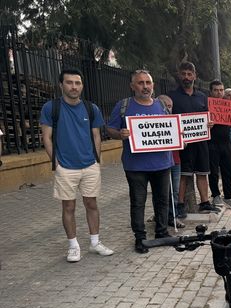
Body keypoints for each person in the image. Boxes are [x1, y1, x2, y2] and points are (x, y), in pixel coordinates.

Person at [40, 68, 114, 262]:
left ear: (82, 85)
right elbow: (46, 137)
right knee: (69, 207)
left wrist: (97, 161)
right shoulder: (51, 108)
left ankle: (95, 242)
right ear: (61, 85)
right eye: (69, 82)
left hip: (89, 165)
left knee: (92, 203)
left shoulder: (91, 108)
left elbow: (97, 135)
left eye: (77, 83)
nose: (74, 86)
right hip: (65, 166)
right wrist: (55, 162)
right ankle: (73, 246)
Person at [106, 69, 173, 254]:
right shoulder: (124, 106)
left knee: (162, 200)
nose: (145, 86)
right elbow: (110, 129)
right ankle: (140, 238)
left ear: (153, 85)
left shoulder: (162, 106)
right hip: (135, 166)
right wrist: (120, 134)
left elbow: (172, 128)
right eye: (141, 83)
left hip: (162, 163)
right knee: (138, 202)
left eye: (148, 83)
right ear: (132, 86)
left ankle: (162, 232)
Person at [168, 62, 216, 215]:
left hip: (201, 142)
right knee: (183, 174)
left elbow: (208, 117)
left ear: (195, 76)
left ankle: (205, 202)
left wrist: (210, 124)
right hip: (184, 144)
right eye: (184, 74)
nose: (186, 77)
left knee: (202, 173)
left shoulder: (202, 97)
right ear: (179, 75)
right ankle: (180, 204)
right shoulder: (172, 96)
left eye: (190, 74)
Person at [156, 94, 185, 229]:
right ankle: (161, 217)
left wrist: (181, 138)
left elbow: (184, 145)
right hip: (160, 162)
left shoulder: (176, 122)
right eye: (165, 106)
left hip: (175, 161)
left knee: (174, 190)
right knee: (161, 192)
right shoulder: (153, 124)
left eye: (170, 106)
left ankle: (172, 217)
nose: (168, 109)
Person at [208, 80, 231, 209]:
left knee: (228, 171)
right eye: (216, 90)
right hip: (212, 143)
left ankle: (228, 196)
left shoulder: (229, 106)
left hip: (226, 143)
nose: (219, 93)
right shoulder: (207, 105)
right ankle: (215, 195)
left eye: (221, 90)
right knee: (213, 172)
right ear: (211, 91)